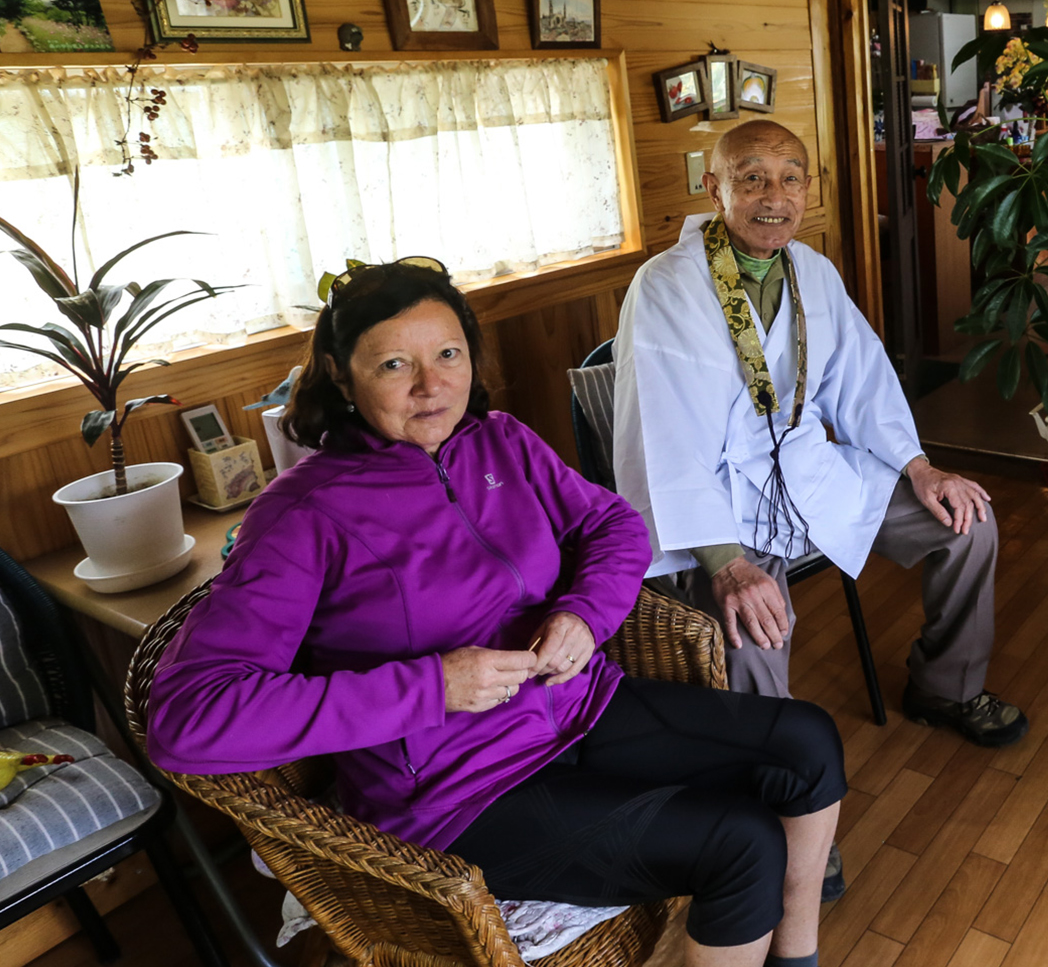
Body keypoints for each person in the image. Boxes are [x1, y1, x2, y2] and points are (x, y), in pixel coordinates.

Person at [146, 258, 845, 967]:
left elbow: (613, 527)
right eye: (394, 364)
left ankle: (795, 959)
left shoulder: (500, 441)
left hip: (579, 710)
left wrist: (583, 613)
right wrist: (434, 687)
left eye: (448, 354)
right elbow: (187, 719)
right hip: (462, 792)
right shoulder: (302, 515)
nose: (432, 385)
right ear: (339, 372)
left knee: (807, 741)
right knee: (740, 842)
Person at [611, 120, 1027, 749]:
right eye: (751, 179)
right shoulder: (668, 286)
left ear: (808, 188)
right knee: (751, 627)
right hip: (723, 507)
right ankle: (782, 796)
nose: (773, 199)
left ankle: (947, 686)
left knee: (969, 525)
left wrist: (920, 468)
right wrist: (725, 566)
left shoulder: (811, 270)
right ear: (713, 189)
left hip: (813, 472)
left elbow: (863, 381)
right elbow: (662, 440)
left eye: (789, 179)